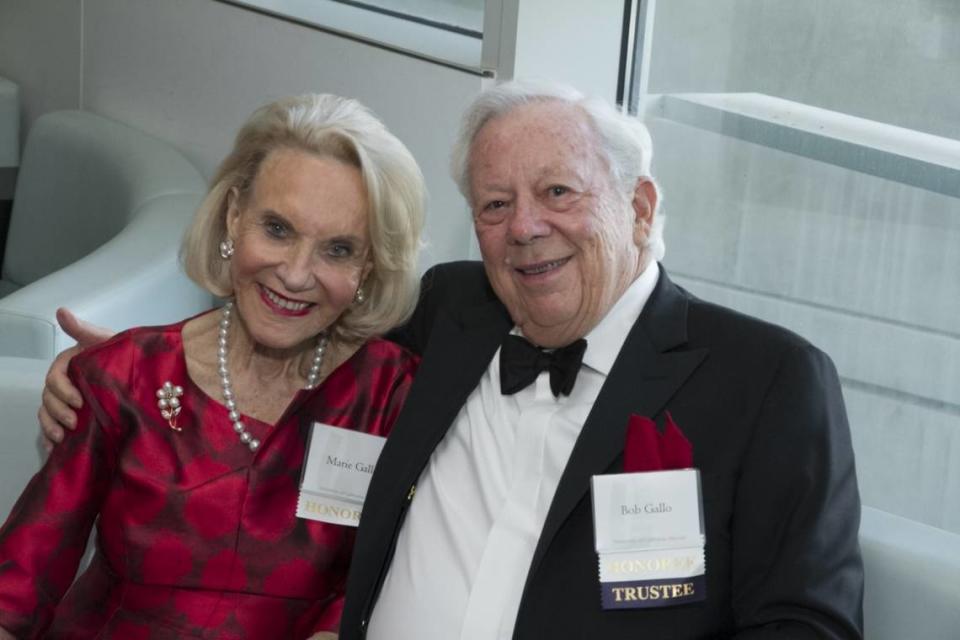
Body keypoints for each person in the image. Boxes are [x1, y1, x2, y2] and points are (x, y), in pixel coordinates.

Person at [39, 81, 864, 639]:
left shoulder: (766, 383)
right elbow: (295, 327)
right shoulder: (452, 311)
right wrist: (133, 370)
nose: (526, 228)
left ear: (640, 207)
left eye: (559, 193)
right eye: (495, 204)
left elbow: (804, 627)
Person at [0, 93, 424, 639]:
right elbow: (18, 584)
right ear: (233, 217)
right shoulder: (125, 376)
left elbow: (387, 577)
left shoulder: (392, 397)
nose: (295, 275)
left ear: (370, 266)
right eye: (277, 229)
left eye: (338, 250)